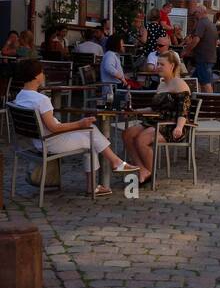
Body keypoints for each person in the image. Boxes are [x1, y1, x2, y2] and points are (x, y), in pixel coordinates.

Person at [13, 59, 140, 198]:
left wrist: (81, 125)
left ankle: (114, 165)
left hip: (38, 142)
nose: (44, 74)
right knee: (91, 134)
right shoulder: (41, 100)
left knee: (90, 132)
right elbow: (54, 127)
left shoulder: (20, 97)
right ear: (37, 76)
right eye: (42, 72)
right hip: (51, 142)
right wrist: (79, 124)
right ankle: (112, 166)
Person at [121, 50, 191, 188]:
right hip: (156, 121)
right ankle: (142, 169)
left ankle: (150, 173)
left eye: (161, 64)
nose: (157, 66)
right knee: (127, 134)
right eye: (157, 63)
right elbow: (154, 109)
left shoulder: (180, 84)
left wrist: (179, 127)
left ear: (171, 66)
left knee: (142, 139)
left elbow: (184, 110)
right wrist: (135, 111)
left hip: (172, 124)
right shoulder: (161, 84)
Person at [184, 2, 218, 94]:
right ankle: (198, 100)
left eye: (196, 13)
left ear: (201, 12)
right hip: (209, 57)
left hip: (203, 58)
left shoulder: (202, 23)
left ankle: (210, 104)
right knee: (195, 81)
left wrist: (187, 51)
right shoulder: (211, 24)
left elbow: (196, 40)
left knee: (206, 83)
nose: (195, 15)